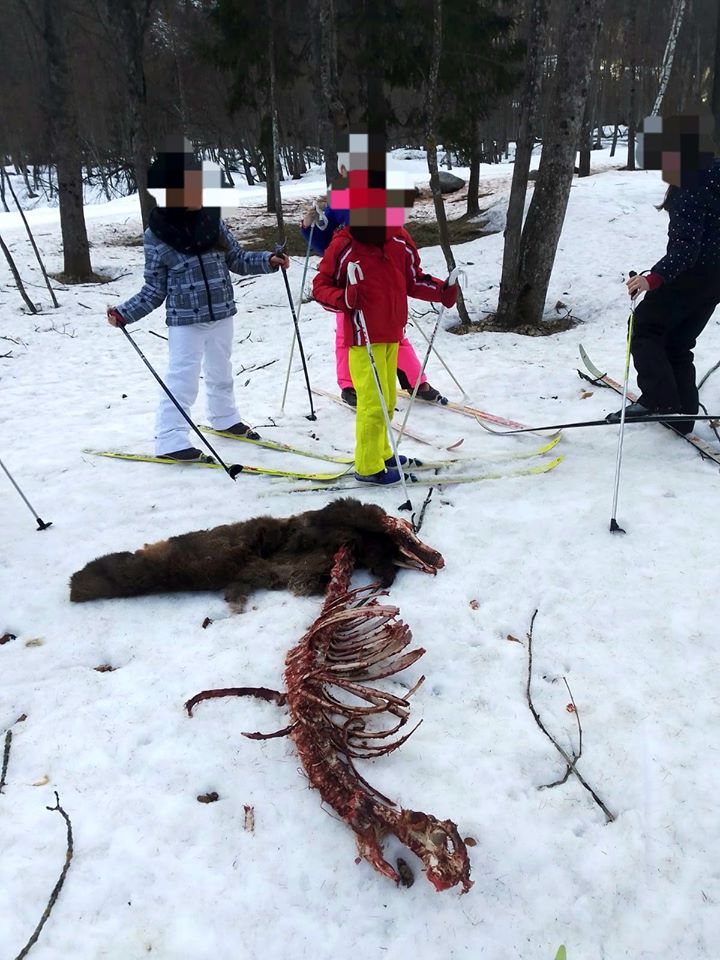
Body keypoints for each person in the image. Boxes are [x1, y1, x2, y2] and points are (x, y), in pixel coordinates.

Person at [107, 143, 289, 460]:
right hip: (185, 323)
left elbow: (237, 258)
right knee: (183, 379)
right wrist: (124, 314)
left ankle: (225, 418)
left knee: (222, 371)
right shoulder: (157, 235)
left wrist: (268, 260)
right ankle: (170, 439)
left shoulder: (211, 221)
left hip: (222, 313)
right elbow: (154, 289)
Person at [313, 217, 457, 485]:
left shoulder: (399, 239)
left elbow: (413, 280)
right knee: (373, 405)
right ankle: (368, 467)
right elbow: (320, 286)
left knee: (388, 400)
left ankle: (382, 453)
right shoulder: (345, 244)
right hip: (362, 338)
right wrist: (344, 298)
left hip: (392, 333)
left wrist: (441, 291)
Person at [607, 115, 720, 434]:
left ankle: (661, 400)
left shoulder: (690, 185)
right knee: (678, 342)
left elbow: (687, 249)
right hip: (714, 280)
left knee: (644, 327)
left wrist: (652, 279)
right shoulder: (712, 176)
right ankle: (682, 412)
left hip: (693, 274)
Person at [301, 164, 447, 408]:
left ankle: (415, 381)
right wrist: (310, 225)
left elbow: (394, 226)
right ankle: (349, 385)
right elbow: (324, 243)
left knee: (394, 333)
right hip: (350, 277)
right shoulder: (338, 197)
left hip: (383, 272)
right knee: (347, 334)